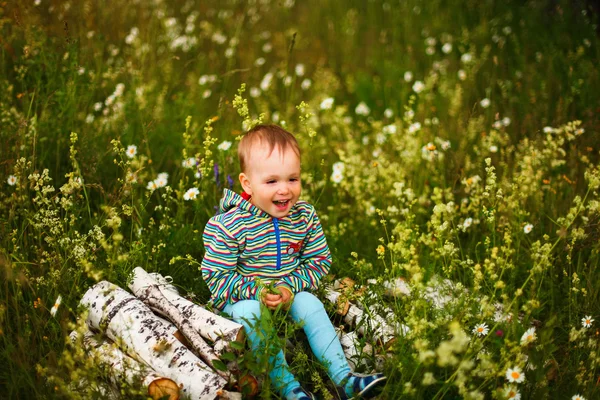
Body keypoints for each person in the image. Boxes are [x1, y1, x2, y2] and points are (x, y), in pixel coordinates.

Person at [201, 124, 386, 400]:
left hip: (287, 290)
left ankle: (343, 378)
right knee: (252, 313)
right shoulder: (229, 226)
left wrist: (289, 287)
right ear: (247, 184)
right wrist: (259, 292)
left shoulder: (304, 216)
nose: (285, 190)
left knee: (309, 303)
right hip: (242, 297)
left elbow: (319, 261)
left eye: (293, 179)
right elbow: (216, 276)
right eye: (272, 181)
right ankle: (290, 389)